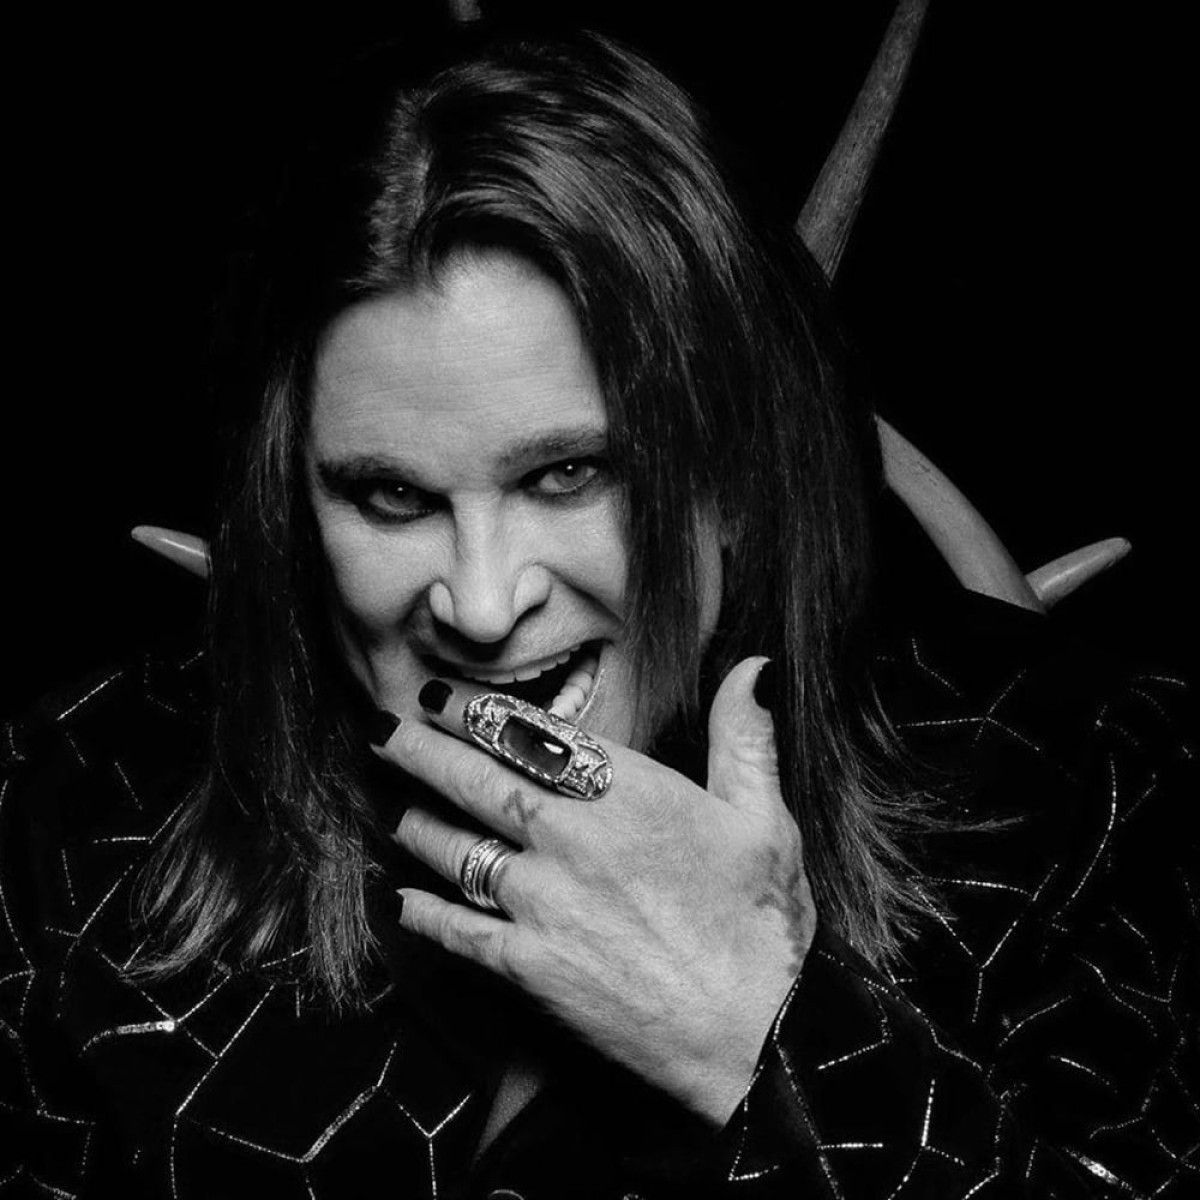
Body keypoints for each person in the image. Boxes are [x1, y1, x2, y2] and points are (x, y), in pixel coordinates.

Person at [1, 28, 1195, 1199]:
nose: (481, 605)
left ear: (731, 466)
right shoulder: (80, 806)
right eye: (391, 496)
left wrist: (759, 1038)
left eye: (569, 474)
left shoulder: (1074, 785)